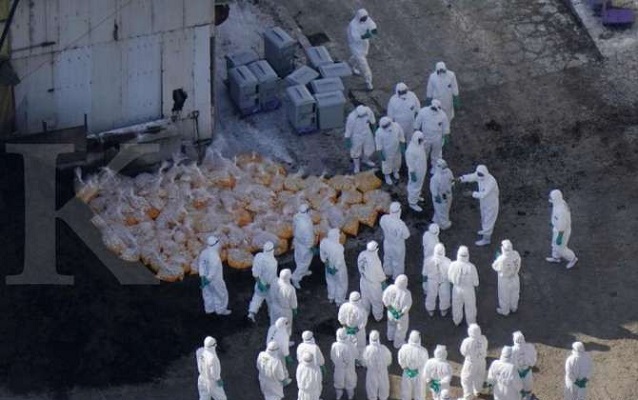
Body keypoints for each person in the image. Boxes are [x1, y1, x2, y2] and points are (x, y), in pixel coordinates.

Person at [458, 165, 499, 246]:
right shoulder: (479, 175)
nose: (479, 176)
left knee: (488, 221)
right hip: (483, 202)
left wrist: (471, 193)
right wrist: (461, 179)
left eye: (481, 174)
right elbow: (471, 177)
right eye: (478, 174)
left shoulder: (491, 181)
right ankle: (484, 231)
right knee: (484, 218)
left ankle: (486, 239)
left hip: (491, 204)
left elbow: (483, 194)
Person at [198, 236, 231, 316]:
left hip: (205, 277)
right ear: (216, 244)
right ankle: (220, 310)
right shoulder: (215, 256)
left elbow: (201, 265)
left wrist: (202, 278)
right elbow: (213, 271)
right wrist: (207, 280)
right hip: (215, 280)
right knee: (221, 294)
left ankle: (209, 309)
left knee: (208, 293)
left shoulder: (204, 252)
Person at [414, 99, 450, 170]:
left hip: (437, 138)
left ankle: (434, 168)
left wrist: (446, 136)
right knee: (424, 152)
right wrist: (416, 133)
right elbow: (417, 123)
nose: (434, 110)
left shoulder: (442, 115)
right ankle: (423, 166)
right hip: (425, 137)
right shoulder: (423, 112)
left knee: (436, 154)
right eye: (433, 108)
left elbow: (445, 127)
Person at [546, 189, 578, 269]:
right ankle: (556, 257)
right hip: (557, 228)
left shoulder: (561, 211)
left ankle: (572, 258)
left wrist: (559, 237)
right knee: (554, 244)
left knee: (561, 248)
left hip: (562, 232)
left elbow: (562, 226)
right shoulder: (559, 203)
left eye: (551, 197)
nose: (550, 198)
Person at [448, 246, 479, 326]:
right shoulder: (471, 267)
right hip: (468, 290)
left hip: (456, 289)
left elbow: (449, 278)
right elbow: (476, 282)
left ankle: (457, 320)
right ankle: (471, 322)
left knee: (456, 305)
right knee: (470, 306)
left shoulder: (453, 265)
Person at [248, 241, 278, 323]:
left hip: (260, 282)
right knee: (271, 301)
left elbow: (255, 272)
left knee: (257, 299)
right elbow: (271, 277)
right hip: (269, 285)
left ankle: (251, 313)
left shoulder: (258, 256)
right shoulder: (273, 262)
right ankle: (271, 315)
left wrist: (259, 283)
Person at [347, 9, 377, 90]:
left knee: (359, 56)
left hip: (363, 44)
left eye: (365, 17)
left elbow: (373, 28)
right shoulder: (353, 25)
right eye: (363, 18)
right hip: (355, 45)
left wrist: (372, 32)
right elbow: (355, 38)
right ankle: (368, 81)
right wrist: (367, 35)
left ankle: (349, 66)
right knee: (363, 64)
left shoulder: (367, 19)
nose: (365, 19)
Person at [379, 202, 411, 279]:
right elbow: (407, 235)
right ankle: (397, 277)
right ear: (399, 211)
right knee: (398, 262)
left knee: (387, 258)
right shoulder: (400, 224)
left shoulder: (384, 218)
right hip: (398, 246)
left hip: (387, 243)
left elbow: (381, 225)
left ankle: (387, 272)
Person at [381, 274, 412, 349]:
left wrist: (391, 310)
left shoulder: (390, 288)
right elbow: (407, 306)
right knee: (401, 329)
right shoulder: (406, 293)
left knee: (391, 325)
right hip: (400, 315)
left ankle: (390, 337)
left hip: (391, 312)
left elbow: (384, 298)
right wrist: (400, 314)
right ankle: (398, 343)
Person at [358, 241, 386, 322]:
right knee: (376, 300)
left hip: (363, 281)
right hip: (374, 285)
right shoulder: (375, 261)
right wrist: (383, 283)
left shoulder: (362, 254)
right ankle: (378, 316)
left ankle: (366, 313)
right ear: (376, 249)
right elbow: (380, 274)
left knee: (365, 299)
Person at [491, 240, 521, 316]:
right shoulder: (516, 254)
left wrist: (498, 258)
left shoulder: (501, 259)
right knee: (515, 293)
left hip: (504, 280)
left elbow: (495, 266)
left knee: (504, 296)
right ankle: (514, 307)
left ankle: (505, 311)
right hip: (515, 277)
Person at [319, 228, 348, 306]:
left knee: (330, 281)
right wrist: (335, 269)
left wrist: (326, 262)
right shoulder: (339, 248)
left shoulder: (324, 242)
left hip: (328, 266)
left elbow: (322, 253)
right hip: (338, 269)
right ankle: (339, 301)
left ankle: (331, 297)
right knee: (341, 283)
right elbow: (339, 261)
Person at [459, 323, 488, 400]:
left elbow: (463, 352)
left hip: (471, 363)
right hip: (482, 362)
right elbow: (485, 347)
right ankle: (477, 390)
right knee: (479, 377)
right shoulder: (483, 338)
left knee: (466, 380)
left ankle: (468, 397)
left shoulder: (467, 341)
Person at [345, 105, 377, 173]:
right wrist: (347, 140)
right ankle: (357, 166)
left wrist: (374, 131)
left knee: (370, 148)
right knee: (355, 151)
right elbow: (348, 129)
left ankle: (366, 160)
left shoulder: (368, 111)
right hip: (356, 135)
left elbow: (373, 121)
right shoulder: (351, 117)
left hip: (367, 132)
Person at [397, 330, 429, 400]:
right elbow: (425, 364)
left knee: (406, 391)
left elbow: (400, 359)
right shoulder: (423, 351)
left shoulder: (404, 348)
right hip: (418, 374)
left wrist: (405, 367)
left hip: (407, 372)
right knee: (419, 393)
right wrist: (418, 370)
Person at [338, 291, 369, 361]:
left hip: (346, 329)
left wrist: (347, 327)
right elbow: (363, 323)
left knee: (347, 343)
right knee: (360, 345)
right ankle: (358, 360)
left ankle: (349, 358)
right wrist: (355, 330)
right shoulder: (361, 310)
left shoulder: (344, 306)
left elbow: (340, 318)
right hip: (358, 332)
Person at [362, 330, 392, 400]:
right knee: (384, 386)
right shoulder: (384, 348)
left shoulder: (367, 349)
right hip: (382, 371)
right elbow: (389, 360)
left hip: (371, 372)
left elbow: (364, 362)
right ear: (378, 338)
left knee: (371, 387)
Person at [423, 243, 452, 317]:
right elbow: (425, 273)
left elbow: (424, 273)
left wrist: (424, 284)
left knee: (439, 295)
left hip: (438, 281)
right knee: (435, 295)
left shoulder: (428, 260)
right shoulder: (447, 262)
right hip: (437, 280)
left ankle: (438, 308)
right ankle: (435, 308)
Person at [291, 203, 316, 289]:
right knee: (304, 262)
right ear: (307, 211)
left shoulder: (296, 216)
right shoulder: (306, 225)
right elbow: (308, 237)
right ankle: (295, 277)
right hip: (305, 246)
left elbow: (294, 227)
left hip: (298, 242)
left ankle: (304, 271)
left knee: (299, 258)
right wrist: (311, 247)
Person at [375, 116, 405, 185]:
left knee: (397, 161)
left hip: (396, 149)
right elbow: (378, 145)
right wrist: (381, 155)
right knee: (387, 164)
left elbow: (401, 136)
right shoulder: (379, 132)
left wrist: (402, 148)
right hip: (386, 152)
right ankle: (387, 175)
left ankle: (395, 171)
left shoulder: (397, 126)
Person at [331, 328, 358, 400]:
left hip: (339, 368)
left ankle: (338, 396)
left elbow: (332, 356)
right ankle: (350, 396)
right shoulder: (350, 345)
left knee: (338, 382)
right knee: (350, 382)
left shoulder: (334, 345)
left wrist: (335, 363)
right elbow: (356, 355)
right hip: (349, 368)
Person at [270, 269, 298, 336]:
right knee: (286, 326)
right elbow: (293, 301)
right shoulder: (290, 288)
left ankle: (273, 337)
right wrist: (294, 309)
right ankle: (285, 339)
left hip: (274, 307)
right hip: (285, 310)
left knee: (274, 324)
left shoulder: (274, 282)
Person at [405, 131, 427, 212]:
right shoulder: (410, 151)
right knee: (414, 187)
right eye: (420, 140)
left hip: (421, 170)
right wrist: (413, 175)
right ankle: (412, 203)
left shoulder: (419, 145)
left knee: (419, 185)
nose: (422, 141)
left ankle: (416, 196)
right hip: (416, 172)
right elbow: (410, 165)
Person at [512, 331, 537, 400]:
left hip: (517, 373)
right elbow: (534, 359)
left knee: (518, 389)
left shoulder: (512, 350)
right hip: (527, 371)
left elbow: (510, 364)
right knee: (528, 387)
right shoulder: (530, 347)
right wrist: (530, 366)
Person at [430, 158, 454, 230]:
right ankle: (444, 224)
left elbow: (452, 180)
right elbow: (433, 189)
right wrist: (436, 197)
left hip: (448, 193)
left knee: (445, 208)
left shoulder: (448, 171)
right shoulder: (435, 178)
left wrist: (452, 184)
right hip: (440, 196)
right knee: (441, 210)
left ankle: (436, 220)